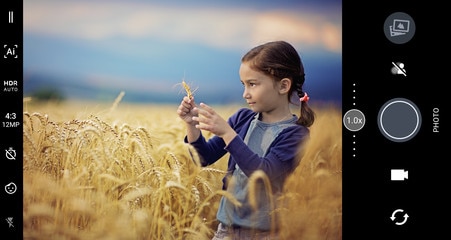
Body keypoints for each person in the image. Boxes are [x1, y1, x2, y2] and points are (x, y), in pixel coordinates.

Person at [177, 40, 315, 240]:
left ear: (284, 85)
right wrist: (191, 124)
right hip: (226, 230)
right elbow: (203, 158)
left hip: (266, 234)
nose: (245, 94)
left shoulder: (295, 134)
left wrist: (227, 133)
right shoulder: (243, 119)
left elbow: (263, 173)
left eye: (253, 84)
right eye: (243, 85)